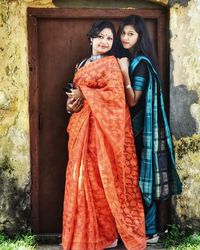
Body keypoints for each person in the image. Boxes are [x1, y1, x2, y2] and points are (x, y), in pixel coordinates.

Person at [62, 20, 146, 250]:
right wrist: (72, 103)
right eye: (100, 36)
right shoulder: (81, 63)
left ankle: (106, 237)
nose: (105, 42)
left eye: (109, 38)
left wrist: (84, 92)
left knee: (100, 182)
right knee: (79, 181)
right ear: (91, 38)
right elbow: (74, 104)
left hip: (102, 133)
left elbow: (117, 100)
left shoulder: (111, 65)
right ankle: (83, 235)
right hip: (81, 129)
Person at [116, 15, 182, 241]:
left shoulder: (140, 64)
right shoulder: (132, 59)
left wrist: (123, 72)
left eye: (130, 34)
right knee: (136, 179)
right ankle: (141, 229)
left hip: (140, 131)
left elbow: (133, 100)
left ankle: (150, 230)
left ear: (140, 37)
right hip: (131, 129)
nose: (125, 37)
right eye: (123, 33)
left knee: (142, 179)